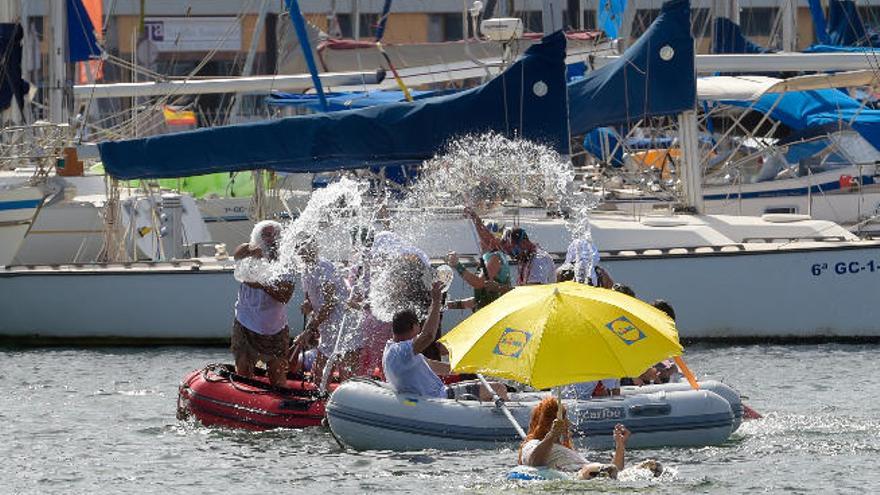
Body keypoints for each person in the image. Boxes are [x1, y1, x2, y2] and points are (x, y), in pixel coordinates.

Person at [383, 281, 508, 401]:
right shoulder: (401, 351)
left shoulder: (393, 349)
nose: (420, 330)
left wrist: (465, 368)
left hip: (438, 394)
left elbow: (431, 365)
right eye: (418, 326)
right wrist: (436, 301)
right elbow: (428, 335)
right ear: (413, 326)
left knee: (486, 384)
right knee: (499, 388)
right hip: (440, 397)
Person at [231, 220, 294, 387]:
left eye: (274, 235)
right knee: (243, 369)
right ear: (258, 236)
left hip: (275, 326)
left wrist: (262, 284)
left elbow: (285, 296)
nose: (270, 238)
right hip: (245, 321)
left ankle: (279, 406)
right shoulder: (249, 253)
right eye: (265, 234)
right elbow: (237, 254)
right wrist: (253, 249)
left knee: (277, 373)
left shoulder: (284, 262)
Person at [518, 397, 641, 479]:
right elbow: (534, 462)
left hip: (594, 471)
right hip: (578, 475)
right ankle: (596, 470)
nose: (569, 423)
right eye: (565, 418)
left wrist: (620, 445)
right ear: (549, 422)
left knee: (614, 469)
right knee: (591, 469)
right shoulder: (532, 444)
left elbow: (616, 470)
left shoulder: (567, 450)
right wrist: (552, 435)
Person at [296, 235, 358, 387]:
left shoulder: (323, 267)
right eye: (300, 248)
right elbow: (312, 300)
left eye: (307, 247)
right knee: (319, 372)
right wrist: (308, 305)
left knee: (343, 368)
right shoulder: (305, 271)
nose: (304, 251)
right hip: (327, 326)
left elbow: (330, 303)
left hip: (341, 323)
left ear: (315, 248)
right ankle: (320, 397)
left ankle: (345, 399)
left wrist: (310, 329)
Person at [446, 208, 512, 312]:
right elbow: (480, 300)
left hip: (493, 315)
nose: (480, 240)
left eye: (482, 236)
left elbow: (478, 283)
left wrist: (457, 265)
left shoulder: (495, 257)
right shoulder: (491, 256)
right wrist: (447, 305)